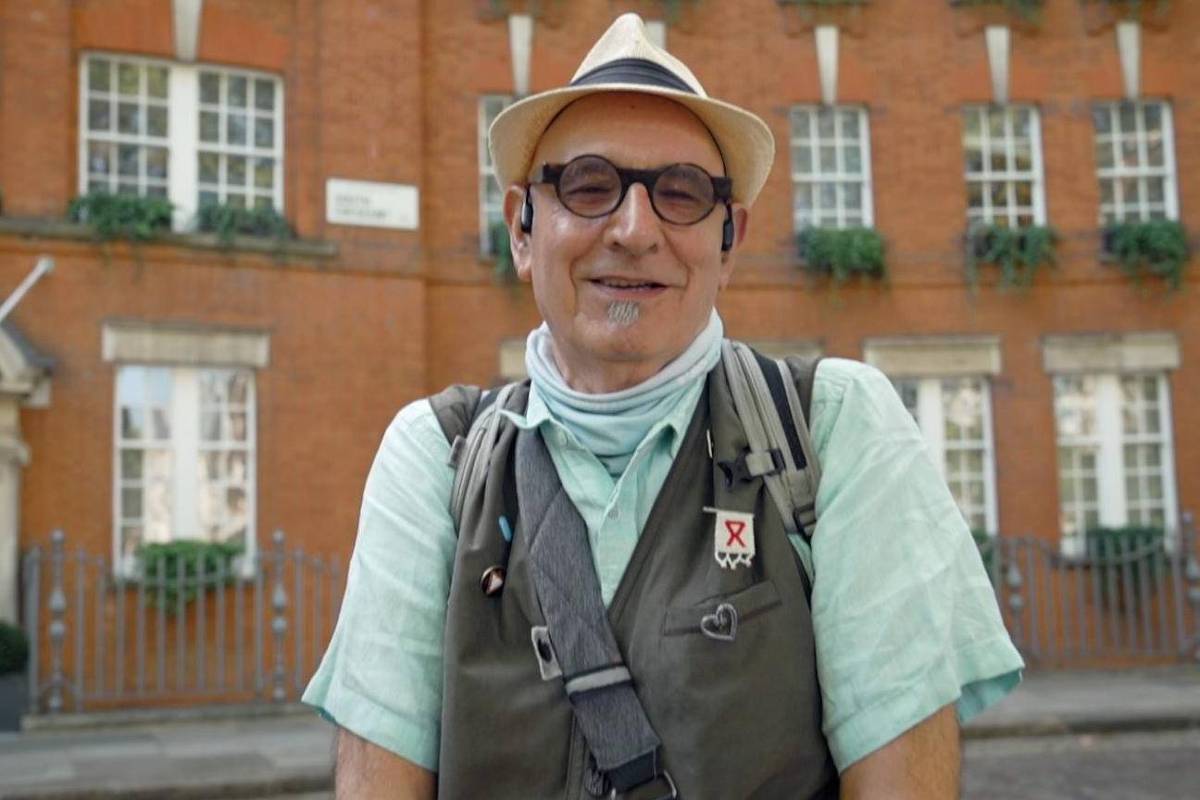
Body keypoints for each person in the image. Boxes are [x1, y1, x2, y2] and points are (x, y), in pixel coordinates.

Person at [303, 13, 1024, 799]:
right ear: (522, 227)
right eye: (587, 184)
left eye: (680, 193)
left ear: (729, 241)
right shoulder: (433, 457)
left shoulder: (836, 428)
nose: (634, 228)